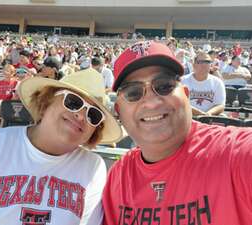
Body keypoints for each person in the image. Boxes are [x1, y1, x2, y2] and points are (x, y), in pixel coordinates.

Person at [102, 40, 252, 225]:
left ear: (186, 95)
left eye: (164, 85)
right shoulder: (119, 176)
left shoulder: (235, 154)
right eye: (133, 92)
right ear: (119, 111)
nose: (151, 102)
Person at [0, 68, 122, 224]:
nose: (81, 115)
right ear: (46, 101)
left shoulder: (92, 168)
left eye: (93, 114)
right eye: (73, 102)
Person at [181, 51, 226, 116]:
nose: (204, 64)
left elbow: (220, 105)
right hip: (187, 116)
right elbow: (180, 104)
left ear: (211, 65)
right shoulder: (183, 81)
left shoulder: (217, 82)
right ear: (194, 65)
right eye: (201, 62)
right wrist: (201, 114)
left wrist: (208, 114)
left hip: (209, 118)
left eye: (207, 62)